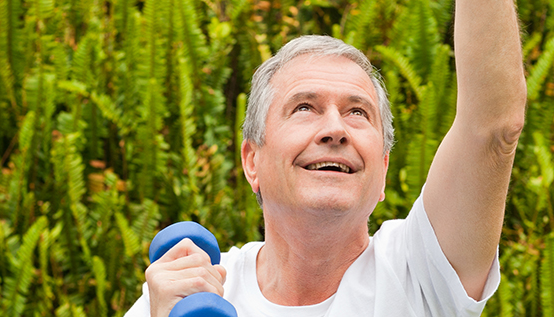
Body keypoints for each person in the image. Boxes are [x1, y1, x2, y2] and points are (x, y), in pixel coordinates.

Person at [125, 0, 525, 315]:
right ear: (252, 161)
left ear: (383, 170)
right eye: (304, 108)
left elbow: (492, 128)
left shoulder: (419, 273)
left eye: (357, 112)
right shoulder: (185, 292)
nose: (336, 129)